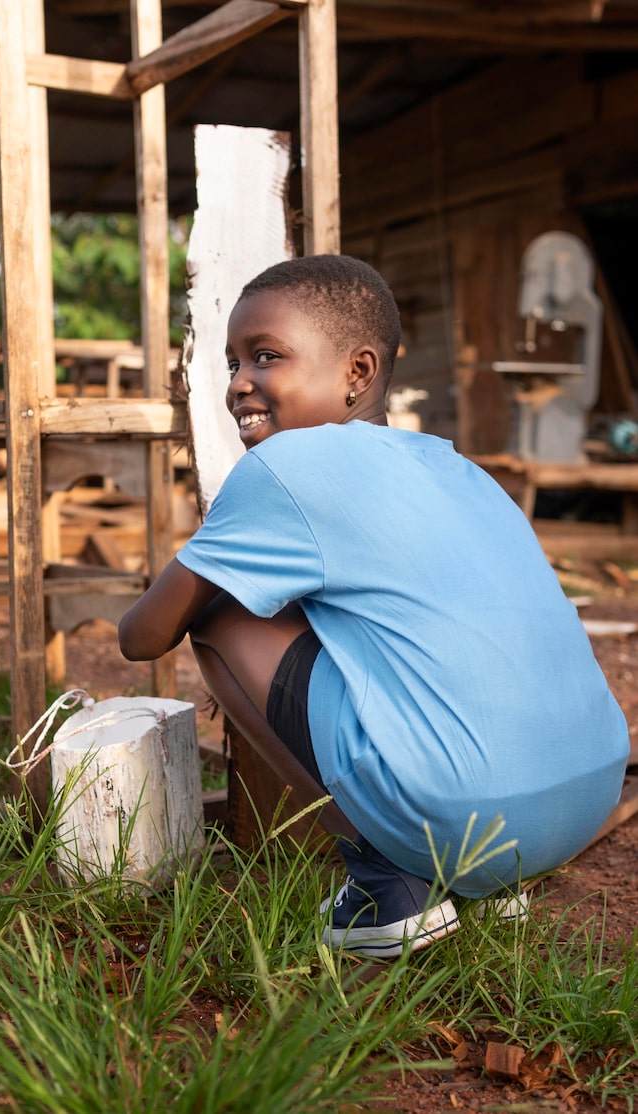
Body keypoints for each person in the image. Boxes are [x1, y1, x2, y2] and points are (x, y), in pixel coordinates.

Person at [119, 254, 629, 960]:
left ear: (357, 372)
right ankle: (482, 880)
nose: (239, 383)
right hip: (578, 802)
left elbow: (142, 636)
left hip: (461, 815)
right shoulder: (460, 466)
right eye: (232, 362)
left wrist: (195, 569)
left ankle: (389, 881)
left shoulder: (284, 466)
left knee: (216, 615)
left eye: (266, 357)